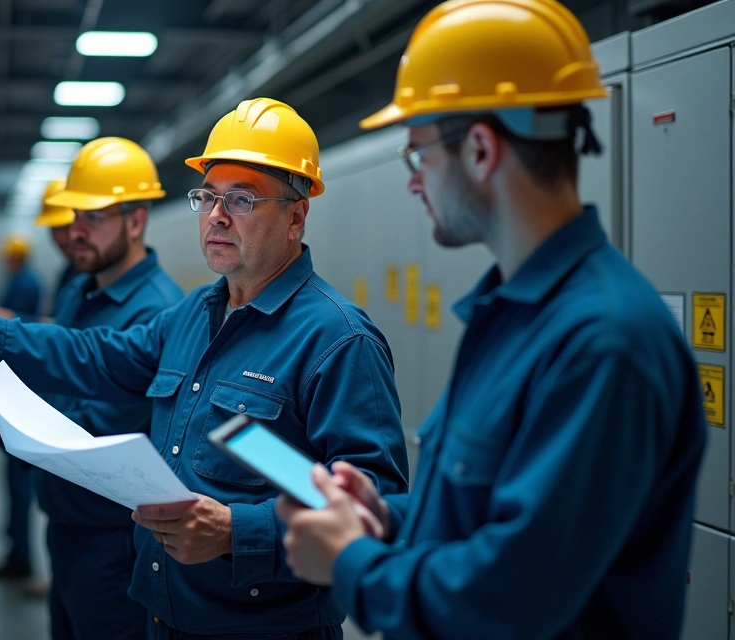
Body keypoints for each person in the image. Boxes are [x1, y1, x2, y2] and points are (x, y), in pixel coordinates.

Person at [0, 98, 409, 639]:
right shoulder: (192, 315)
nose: (217, 216)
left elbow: (376, 504)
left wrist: (237, 531)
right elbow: (93, 355)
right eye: (207, 197)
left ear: (296, 216)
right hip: (163, 614)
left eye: (242, 199)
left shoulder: (338, 340)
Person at [275, 1, 707, 638]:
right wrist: (387, 517)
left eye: (419, 155)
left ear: (480, 149)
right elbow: (486, 513)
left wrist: (351, 562)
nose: (415, 183)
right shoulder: (508, 315)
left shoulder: (604, 342)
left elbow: (508, 603)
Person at [0, 137, 184, 640]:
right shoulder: (80, 288)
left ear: (136, 221)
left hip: (114, 540)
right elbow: (62, 366)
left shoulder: (154, 311)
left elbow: (94, 440)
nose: (75, 231)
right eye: (74, 216)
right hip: (66, 527)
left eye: (93, 218)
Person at [0, 233, 43, 579]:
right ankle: (18, 552)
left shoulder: (24, 283)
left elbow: (25, 324)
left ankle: (20, 557)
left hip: (24, 386)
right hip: (22, 384)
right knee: (16, 479)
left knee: (19, 481)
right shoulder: (25, 280)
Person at [0, 179, 80, 321]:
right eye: (54, 228)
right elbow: (57, 327)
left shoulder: (26, 283)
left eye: (66, 227)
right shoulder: (69, 273)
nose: (61, 238)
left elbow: (60, 331)